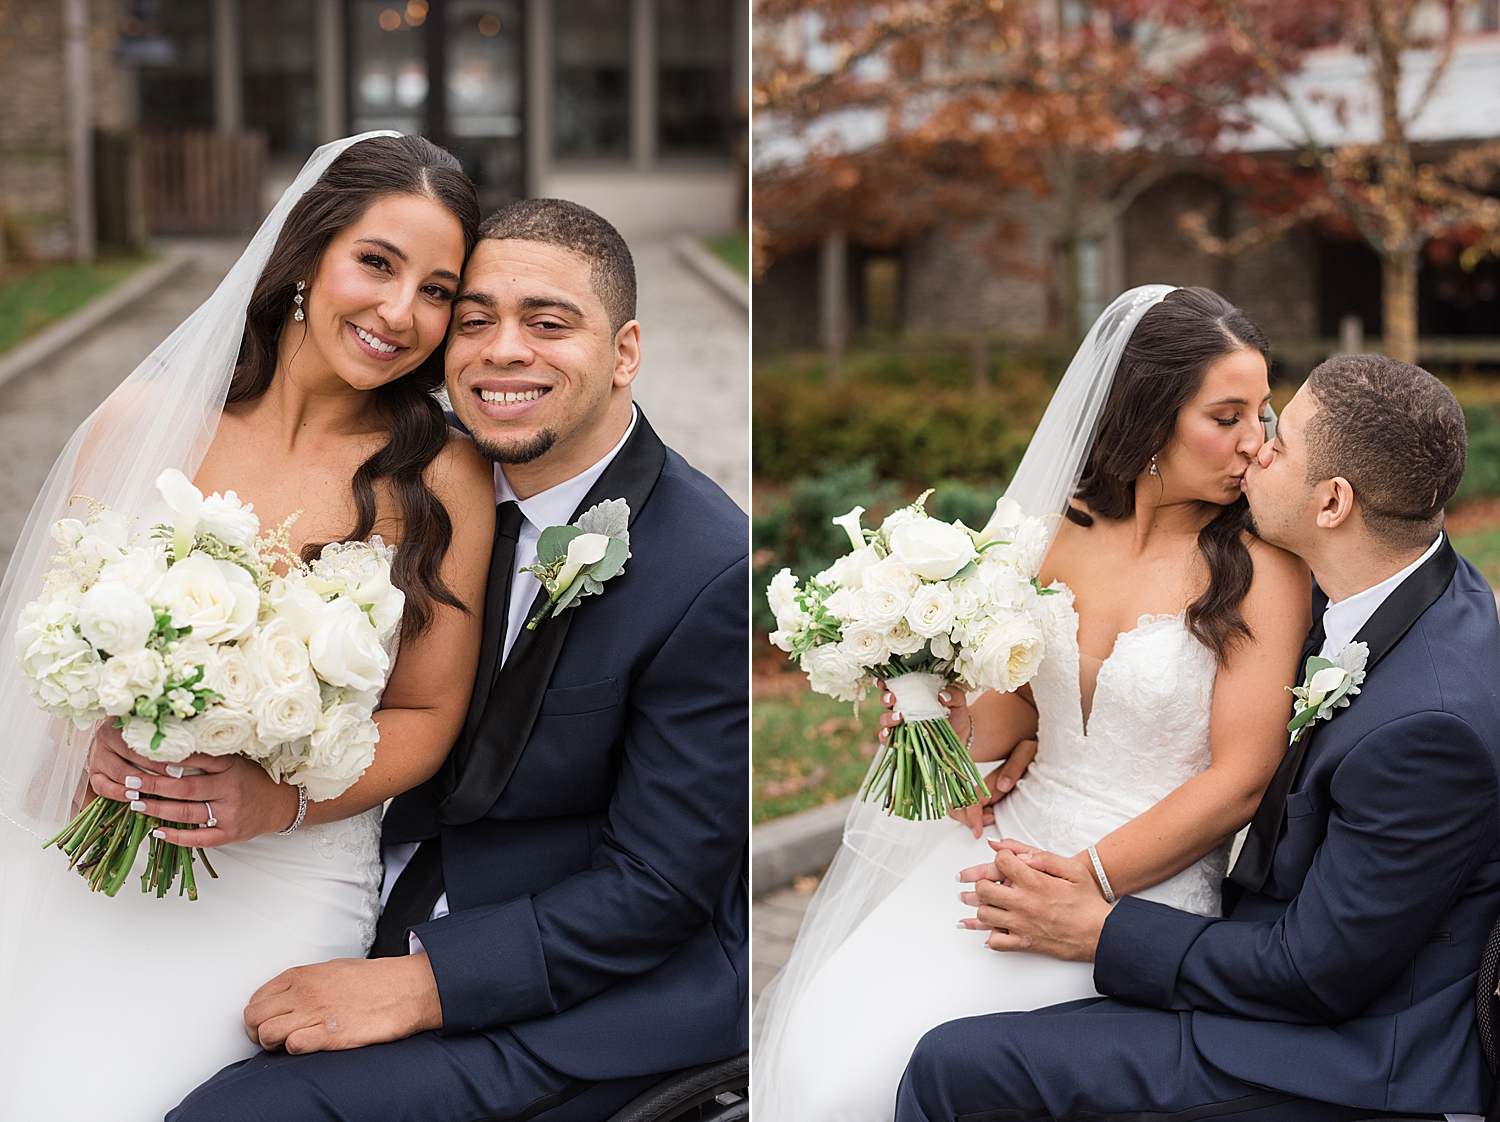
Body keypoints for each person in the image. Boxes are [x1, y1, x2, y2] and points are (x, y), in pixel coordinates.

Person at [168, 199, 750, 1121]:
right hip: (343, 882)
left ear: (625, 352)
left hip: (572, 999)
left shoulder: (708, 567)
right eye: (474, 319)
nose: (502, 350)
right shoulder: (419, 485)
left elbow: (660, 886)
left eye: (548, 323)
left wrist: (417, 986)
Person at [0, 133, 496, 1122]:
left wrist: (279, 804)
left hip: (285, 874)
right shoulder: (140, 420)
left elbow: (430, 712)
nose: (402, 313)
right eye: (377, 263)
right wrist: (86, 743)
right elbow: (53, 641)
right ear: (308, 255)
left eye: (437, 290)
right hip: (95, 845)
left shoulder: (441, 476)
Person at [752, 285, 1312, 1122]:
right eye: (1226, 416)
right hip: (1011, 845)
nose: (1254, 444)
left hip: (1134, 886)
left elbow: (1240, 779)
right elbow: (1019, 709)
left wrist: (1083, 885)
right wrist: (941, 725)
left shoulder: (1263, 568)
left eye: (1262, 414)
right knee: (838, 1036)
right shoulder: (1052, 532)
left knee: (921, 1057)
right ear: (1151, 414)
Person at [899, 354, 1500, 1120]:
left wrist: (1102, 929)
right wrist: (1044, 728)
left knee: (955, 1067)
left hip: (1343, 1051)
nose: (1256, 449)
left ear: (1333, 502)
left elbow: (1314, 976)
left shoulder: (1432, 726)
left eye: (1278, 441)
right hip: (1280, 964)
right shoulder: (1394, 577)